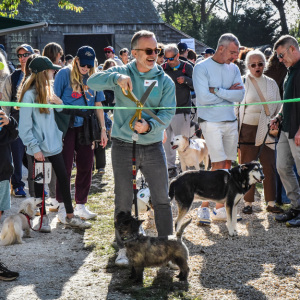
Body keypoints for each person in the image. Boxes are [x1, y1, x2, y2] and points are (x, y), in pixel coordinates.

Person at [88, 30, 176, 266]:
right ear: (134, 52)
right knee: (123, 200)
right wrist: (115, 79)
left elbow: (167, 113)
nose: (153, 55)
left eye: (156, 50)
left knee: (162, 200)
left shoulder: (164, 80)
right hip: (123, 146)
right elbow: (91, 81)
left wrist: (149, 126)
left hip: (153, 146)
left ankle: (166, 247)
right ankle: (123, 249)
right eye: (148, 51)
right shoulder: (122, 71)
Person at [18, 56, 91, 230]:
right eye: (51, 69)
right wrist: (35, 148)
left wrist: (60, 103)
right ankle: (42, 220)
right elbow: (24, 128)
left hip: (54, 145)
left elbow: (58, 112)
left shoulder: (48, 90)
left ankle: (70, 216)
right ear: (44, 73)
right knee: (39, 183)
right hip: (39, 150)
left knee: (64, 179)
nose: (54, 71)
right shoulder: (29, 96)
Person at [193, 33, 245, 224]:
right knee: (217, 165)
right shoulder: (201, 67)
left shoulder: (234, 68)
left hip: (231, 120)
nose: (235, 57)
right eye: (232, 52)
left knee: (228, 165)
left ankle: (221, 208)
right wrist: (228, 92)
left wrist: (219, 90)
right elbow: (204, 99)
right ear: (220, 48)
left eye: (237, 53)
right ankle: (204, 208)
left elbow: (240, 95)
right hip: (210, 121)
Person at [54, 46, 107, 221]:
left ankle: (81, 204)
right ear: (76, 60)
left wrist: (103, 130)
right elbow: (54, 100)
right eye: (82, 64)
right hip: (66, 125)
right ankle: (62, 205)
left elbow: (99, 105)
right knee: (66, 167)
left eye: (88, 65)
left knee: (86, 166)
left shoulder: (95, 77)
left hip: (87, 126)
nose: (85, 68)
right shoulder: (63, 74)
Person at [237, 49, 283, 214]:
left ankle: (271, 202)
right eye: (253, 65)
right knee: (247, 167)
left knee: (269, 165)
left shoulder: (271, 83)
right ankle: (248, 203)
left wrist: (276, 121)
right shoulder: (241, 82)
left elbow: (279, 106)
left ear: (265, 64)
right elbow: (236, 108)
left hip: (268, 128)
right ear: (248, 66)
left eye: (260, 64)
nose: (257, 67)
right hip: (247, 129)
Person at [270, 35, 300, 226]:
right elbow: (286, 100)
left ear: (292, 49)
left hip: (298, 130)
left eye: (281, 55)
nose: (280, 60)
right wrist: (279, 116)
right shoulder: (289, 70)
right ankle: (297, 206)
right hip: (286, 128)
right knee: (282, 166)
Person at [1, 44, 34, 197]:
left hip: (35, 123)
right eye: (20, 55)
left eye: (26, 54)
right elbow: (6, 102)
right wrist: (6, 124)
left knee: (34, 156)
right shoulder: (12, 78)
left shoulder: (38, 76)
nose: (22, 58)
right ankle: (18, 185)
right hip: (16, 123)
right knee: (16, 155)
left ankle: (37, 186)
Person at [162, 43, 194, 178]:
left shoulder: (187, 67)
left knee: (183, 142)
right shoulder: (162, 68)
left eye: (171, 59)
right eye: (166, 58)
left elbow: (196, 85)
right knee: (168, 142)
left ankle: (185, 167)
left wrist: (186, 80)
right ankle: (171, 167)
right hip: (165, 110)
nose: (168, 62)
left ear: (177, 55)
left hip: (182, 110)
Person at [0, 108, 18, 221]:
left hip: (3, 168)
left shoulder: (3, 116)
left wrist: (10, 122)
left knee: (1, 200)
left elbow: (15, 133)